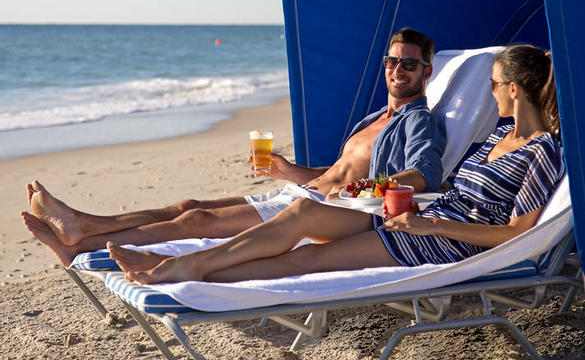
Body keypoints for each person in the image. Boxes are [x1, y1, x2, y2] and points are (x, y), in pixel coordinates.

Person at [105, 44, 564, 285]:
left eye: (494, 84)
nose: (490, 91)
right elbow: (450, 190)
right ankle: (188, 262)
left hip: (444, 243)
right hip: (420, 219)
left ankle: (190, 271)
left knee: (311, 259)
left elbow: (517, 233)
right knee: (304, 213)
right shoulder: (499, 136)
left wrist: (433, 228)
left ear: (515, 90)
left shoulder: (543, 151)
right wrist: (404, 206)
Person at [22, 28, 446, 266]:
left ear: (425, 73)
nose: (397, 70)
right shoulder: (373, 119)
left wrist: (362, 189)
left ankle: (83, 236)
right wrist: (286, 170)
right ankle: (82, 228)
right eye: (391, 62)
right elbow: (333, 174)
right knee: (187, 204)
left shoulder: (420, 120)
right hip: (303, 191)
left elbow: (424, 173)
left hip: (335, 213)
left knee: (196, 220)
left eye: (409, 64)